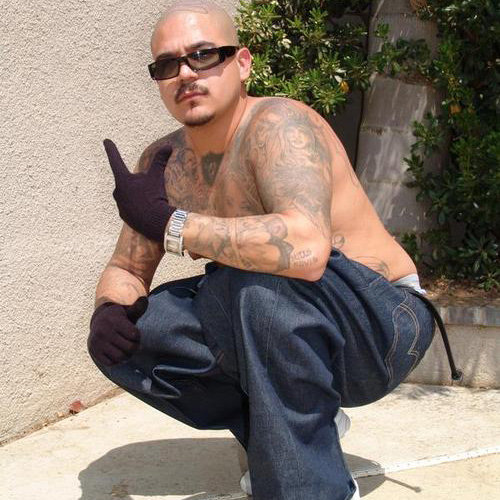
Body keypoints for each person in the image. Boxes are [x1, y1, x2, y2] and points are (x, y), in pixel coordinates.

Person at [88, 1, 459, 498]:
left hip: (381, 324)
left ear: (242, 63)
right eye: (167, 65)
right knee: (139, 330)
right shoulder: (163, 161)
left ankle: (310, 487)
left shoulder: (279, 124)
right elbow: (127, 269)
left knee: (256, 284)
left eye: (203, 55)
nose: (186, 74)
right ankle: (287, 436)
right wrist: (108, 312)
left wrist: (169, 223)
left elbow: (305, 249)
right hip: (278, 317)